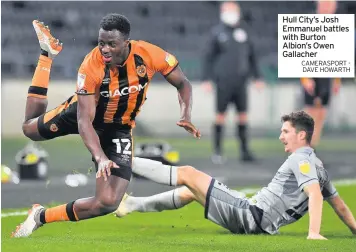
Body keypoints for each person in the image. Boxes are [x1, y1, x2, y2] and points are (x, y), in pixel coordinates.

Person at [12, 14, 201, 238]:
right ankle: (47, 55)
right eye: (101, 43)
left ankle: (40, 216)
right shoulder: (90, 66)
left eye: (112, 44)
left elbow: (183, 83)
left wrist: (186, 115)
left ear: (126, 43)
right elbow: (84, 121)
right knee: (29, 130)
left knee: (108, 203)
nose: (105, 49)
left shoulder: (149, 55)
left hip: (119, 129)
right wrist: (100, 157)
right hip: (84, 115)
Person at [114, 111, 356, 240]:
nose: (281, 136)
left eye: (286, 131)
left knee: (189, 174)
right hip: (257, 219)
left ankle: (121, 160)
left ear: (301, 136)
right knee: (192, 191)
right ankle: (133, 204)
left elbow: (313, 195)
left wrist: (313, 233)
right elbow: (340, 206)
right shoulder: (319, 167)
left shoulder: (300, 159)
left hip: (250, 214)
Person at [201, 1, 265, 164]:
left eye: (232, 10)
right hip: (223, 81)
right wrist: (206, 79)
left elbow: (252, 58)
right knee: (220, 116)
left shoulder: (245, 32)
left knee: (242, 116)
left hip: (241, 81)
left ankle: (244, 151)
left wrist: (257, 77)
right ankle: (218, 151)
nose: (229, 13)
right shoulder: (217, 33)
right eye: (226, 10)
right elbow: (208, 58)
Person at [301, 0, 341, 148]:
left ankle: (311, 147)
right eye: (325, 4)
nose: (328, 7)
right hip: (312, 73)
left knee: (321, 113)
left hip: (327, 75)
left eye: (331, 5)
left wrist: (337, 80)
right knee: (310, 113)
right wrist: (305, 78)